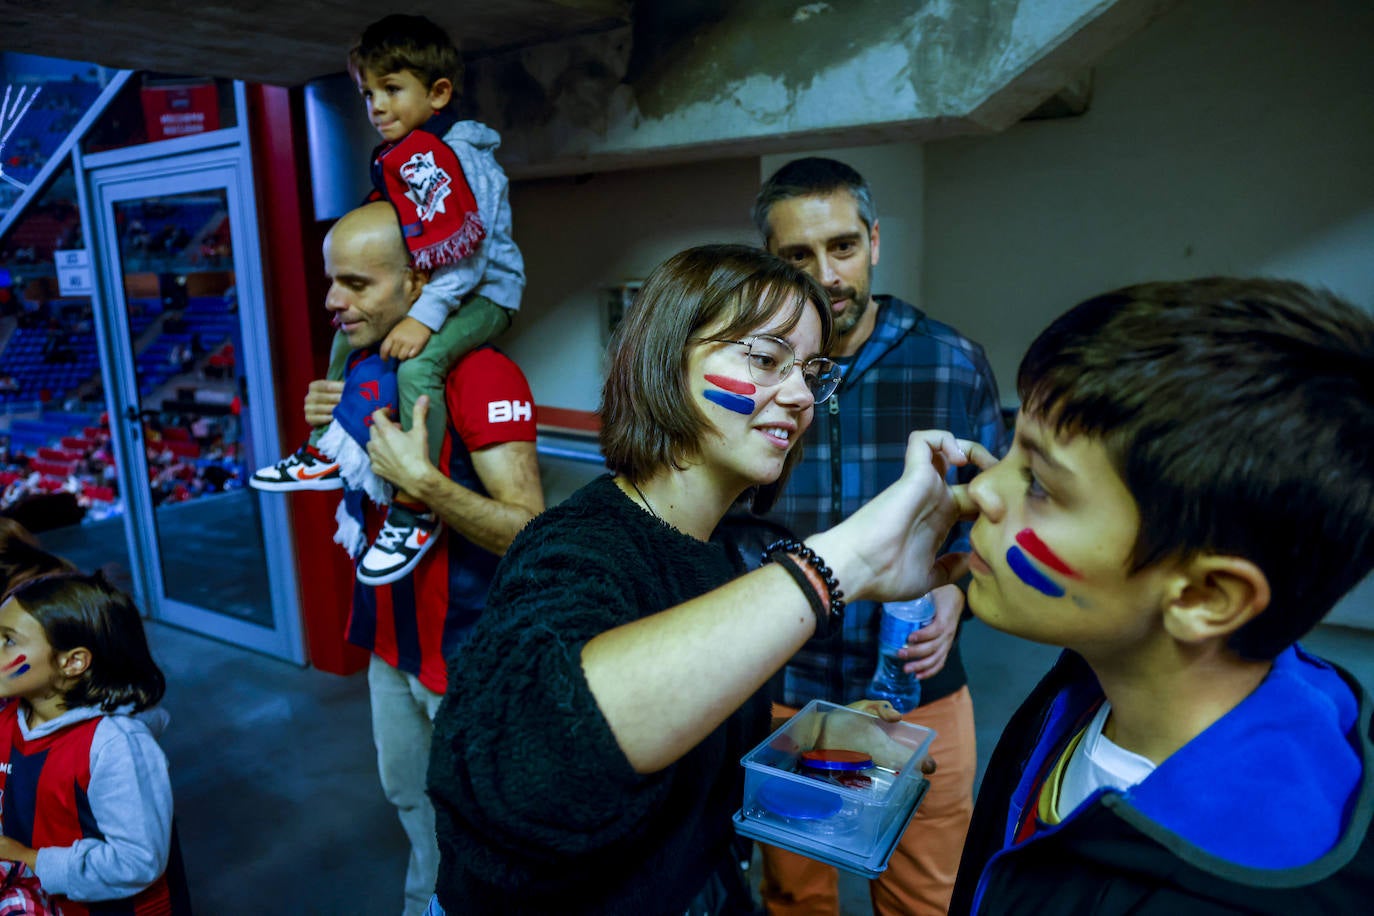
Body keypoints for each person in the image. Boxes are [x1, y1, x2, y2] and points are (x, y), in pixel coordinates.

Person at [425, 243, 993, 915]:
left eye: (811, 371)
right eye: (766, 359)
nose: (801, 396)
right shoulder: (575, 546)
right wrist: (846, 563)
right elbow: (533, 773)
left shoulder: (715, 554)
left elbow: (682, 751)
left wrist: (812, 749)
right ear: (668, 361)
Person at [949, 278, 1374, 914]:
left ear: (1205, 595)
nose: (983, 488)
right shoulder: (1089, 680)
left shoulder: (1240, 891)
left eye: (1039, 482)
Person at [750, 156, 1008, 915]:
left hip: (917, 690)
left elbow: (993, 514)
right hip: (783, 687)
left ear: (874, 242)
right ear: (770, 260)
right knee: (794, 896)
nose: (826, 275)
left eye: (842, 246)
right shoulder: (752, 373)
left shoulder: (952, 361)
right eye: (798, 255)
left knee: (926, 897)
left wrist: (961, 591)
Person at [298, 201, 544, 916]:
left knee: (486, 834)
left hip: (468, 655)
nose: (333, 301)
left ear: (418, 283)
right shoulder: (368, 365)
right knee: (412, 806)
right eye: (331, 281)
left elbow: (532, 531)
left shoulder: (481, 374)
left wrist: (428, 485)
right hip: (390, 640)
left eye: (356, 284)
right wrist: (332, 431)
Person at [251, 13, 526, 587]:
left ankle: (414, 504)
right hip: (439, 288)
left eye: (392, 89)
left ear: (438, 93)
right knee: (343, 341)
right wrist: (333, 407)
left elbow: (468, 255)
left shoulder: (458, 156)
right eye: (368, 93)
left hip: (483, 292)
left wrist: (424, 316)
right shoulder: (404, 153)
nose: (376, 105)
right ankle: (324, 450)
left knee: (419, 364)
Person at [0, 572, 189, 915]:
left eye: (9, 640)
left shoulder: (117, 746)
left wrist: (29, 858)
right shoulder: (9, 718)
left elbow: (138, 862)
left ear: (72, 662)